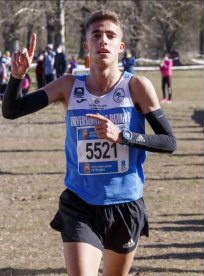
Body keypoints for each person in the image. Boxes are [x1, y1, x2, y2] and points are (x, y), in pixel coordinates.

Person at [2, 10, 176, 276]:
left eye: (110, 35)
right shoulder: (69, 86)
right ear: (87, 45)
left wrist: (124, 136)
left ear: (121, 46)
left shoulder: (136, 87)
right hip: (80, 202)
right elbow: (12, 110)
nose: (103, 40)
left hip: (124, 202)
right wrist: (16, 77)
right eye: (96, 35)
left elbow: (168, 142)